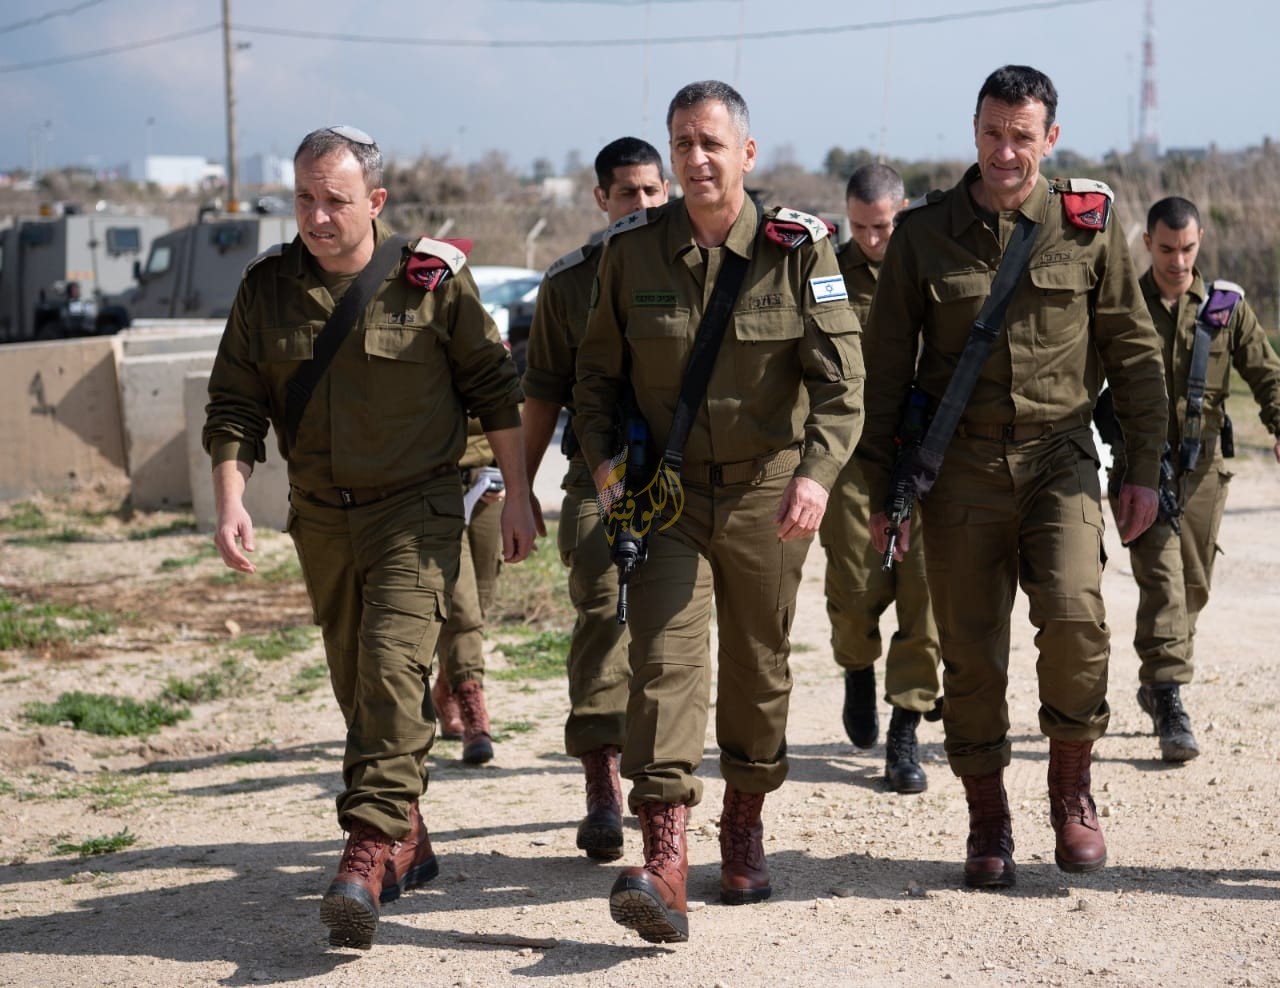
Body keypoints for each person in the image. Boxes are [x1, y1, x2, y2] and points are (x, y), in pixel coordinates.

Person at [202, 124, 536, 950]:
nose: (316, 217)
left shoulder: (431, 279)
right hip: (321, 516)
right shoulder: (266, 289)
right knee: (358, 684)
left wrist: (519, 495)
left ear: (376, 201)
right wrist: (230, 500)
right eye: (304, 198)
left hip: (415, 510)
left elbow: (495, 390)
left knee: (391, 670)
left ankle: (365, 848)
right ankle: (408, 839)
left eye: (336, 200)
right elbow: (234, 403)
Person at [857, 65, 1169, 889]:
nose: (1004, 152)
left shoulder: (1086, 225)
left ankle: (1071, 792)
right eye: (992, 133)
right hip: (958, 468)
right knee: (970, 653)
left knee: (1075, 622)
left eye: (1021, 137)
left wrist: (1141, 469)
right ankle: (987, 816)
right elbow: (885, 374)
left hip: (1060, 458)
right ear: (974, 130)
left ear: (1050, 139)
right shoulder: (923, 234)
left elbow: (1135, 354)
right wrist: (884, 492)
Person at [574, 80, 864, 942]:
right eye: (681, 144)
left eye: (710, 143)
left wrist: (817, 475)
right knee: (662, 661)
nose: (695, 159)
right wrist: (606, 473)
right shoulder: (632, 252)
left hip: (767, 494)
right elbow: (595, 380)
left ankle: (744, 823)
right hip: (665, 499)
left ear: (746, 152)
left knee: (756, 665)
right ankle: (664, 857)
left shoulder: (798, 250)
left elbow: (842, 383)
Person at [522, 137, 669, 862]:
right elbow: (543, 393)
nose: (640, 203)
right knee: (604, 618)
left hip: (683, 479)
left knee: (671, 636)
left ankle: (661, 783)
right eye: (626, 192)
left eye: (652, 190)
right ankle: (603, 785)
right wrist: (519, 489)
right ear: (600, 198)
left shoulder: (695, 263)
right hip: (597, 476)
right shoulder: (568, 283)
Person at [1107, 196, 1280, 762]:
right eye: (1165, 249)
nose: (1177, 261)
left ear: (1200, 240)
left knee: (1194, 585)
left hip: (1204, 469)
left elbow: (1266, 374)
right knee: (1163, 581)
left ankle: (1160, 684)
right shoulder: (1123, 304)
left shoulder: (1226, 309)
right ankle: (1169, 695)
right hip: (1141, 468)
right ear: (1147, 244)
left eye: (1186, 249)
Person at [819, 162, 941, 793]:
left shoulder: (931, 266)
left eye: (883, 227)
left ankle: (905, 728)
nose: (871, 239)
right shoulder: (825, 275)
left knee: (924, 593)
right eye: (860, 227)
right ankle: (858, 666)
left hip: (924, 455)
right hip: (851, 455)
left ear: (904, 213)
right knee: (854, 584)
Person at [431, 418, 506, 766]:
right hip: (434, 485)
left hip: (489, 485)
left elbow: (520, 414)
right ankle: (473, 706)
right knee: (462, 609)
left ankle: (445, 688)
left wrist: (515, 480)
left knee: (481, 601)